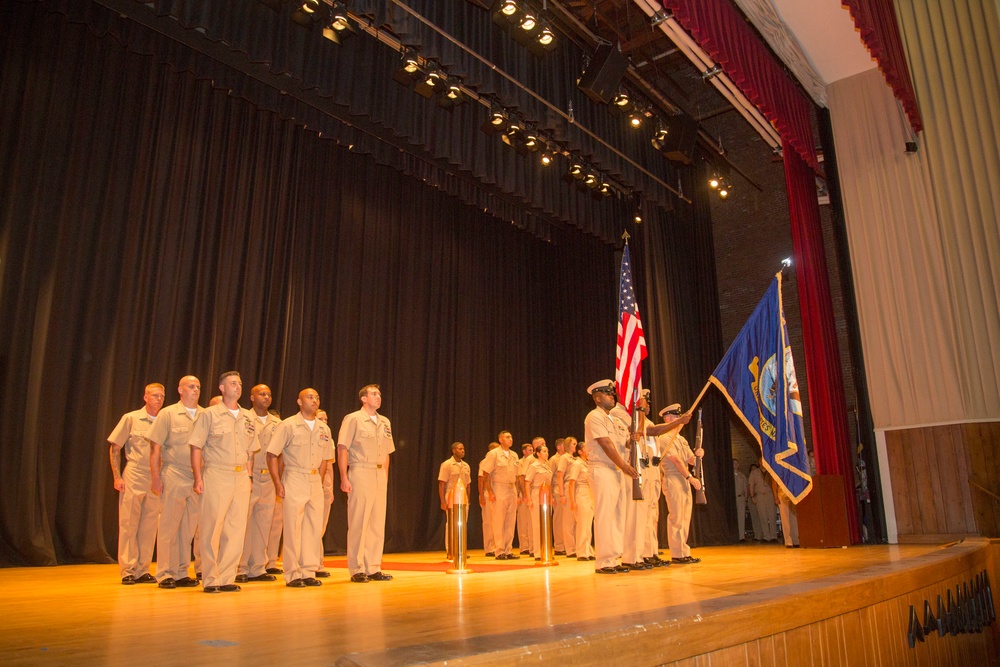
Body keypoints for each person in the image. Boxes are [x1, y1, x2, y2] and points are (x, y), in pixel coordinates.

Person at [189, 371, 258, 593]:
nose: (237, 387)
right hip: (217, 472)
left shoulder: (248, 416)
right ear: (221, 388)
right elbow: (196, 447)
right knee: (212, 526)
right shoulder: (209, 414)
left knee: (236, 528)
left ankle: (227, 577)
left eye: (239, 383)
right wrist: (198, 477)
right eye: (232, 383)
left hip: (240, 476)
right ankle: (210, 578)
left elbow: (250, 451)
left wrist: (249, 476)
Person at [268, 388, 334, 587]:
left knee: (313, 527)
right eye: (310, 397)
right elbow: (272, 454)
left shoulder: (324, 429)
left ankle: (308, 570)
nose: (314, 400)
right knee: (293, 527)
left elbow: (325, 459)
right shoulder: (288, 425)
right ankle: (293, 572)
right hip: (295, 475)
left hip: (314, 479)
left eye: (317, 397)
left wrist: (320, 482)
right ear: (299, 401)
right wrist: (278, 483)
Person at [146, 376, 203, 589]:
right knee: (169, 526)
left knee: (187, 529)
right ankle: (164, 572)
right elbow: (155, 448)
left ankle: (181, 571)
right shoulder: (168, 413)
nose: (195, 390)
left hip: (197, 477)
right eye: (191, 386)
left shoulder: (205, 414)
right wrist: (155, 477)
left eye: (198, 387)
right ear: (180, 390)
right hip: (174, 474)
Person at [107, 382, 165, 585]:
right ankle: (128, 570)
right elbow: (115, 447)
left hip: (156, 476)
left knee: (149, 525)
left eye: (162, 396)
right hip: (135, 473)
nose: (159, 399)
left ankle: (143, 569)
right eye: (155, 395)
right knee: (129, 523)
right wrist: (117, 476)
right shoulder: (131, 418)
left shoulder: (165, 420)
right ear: (145, 397)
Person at [338, 384, 395, 583]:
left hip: (379, 473)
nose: (378, 397)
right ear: (363, 398)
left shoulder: (385, 422)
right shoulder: (353, 418)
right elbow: (343, 448)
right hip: (360, 470)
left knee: (377, 523)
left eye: (379, 394)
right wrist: (344, 477)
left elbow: (388, 452)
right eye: (373, 394)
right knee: (359, 522)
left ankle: (373, 566)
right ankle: (357, 568)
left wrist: (385, 477)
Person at [584, 379, 636, 574]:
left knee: (617, 515)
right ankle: (604, 561)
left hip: (615, 470)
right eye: (607, 393)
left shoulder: (613, 420)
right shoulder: (593, 417)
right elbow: (605, 444)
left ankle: (614, 557)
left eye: (612, 393)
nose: (612, 396)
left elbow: (622, 445)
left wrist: (632, 440)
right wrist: (624, 466)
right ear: (597, 398)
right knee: (606, 515)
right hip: (602, 469)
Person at [237, 384, 281, 584]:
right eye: (262, 394)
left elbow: (281, 454)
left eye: (269, 394)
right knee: (243, 524)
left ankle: (258, 567)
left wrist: (278, 479)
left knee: (264, 524)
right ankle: (240, 566)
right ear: (252, 397)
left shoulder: (277, 423)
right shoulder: (244, 417)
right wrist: (247, 476)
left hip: (269, 478)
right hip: (249, 475)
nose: (266, 397)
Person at [657, 404, 703, 564]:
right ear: (668, 419)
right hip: (673, 478)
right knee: (676, 516)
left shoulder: (681, 439)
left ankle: (684, 551)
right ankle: (677, 554)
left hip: (684, 478)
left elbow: (690, 459)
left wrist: (698, 455)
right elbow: (675, 460)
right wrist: (690, 477)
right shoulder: (664, 439)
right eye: (677, 418)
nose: (681, 421)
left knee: (685, 516)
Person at [480, 431, 520, 560]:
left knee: (510, 520)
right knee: (498, 520)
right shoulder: (494, 454)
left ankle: (508, 550)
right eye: (507, 437)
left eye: (511, 437)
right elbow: (485, 474)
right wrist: (490, 492)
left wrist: (518, 493)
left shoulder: (514, 455)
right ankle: (499, 550)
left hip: (511, 488)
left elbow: (518, 476)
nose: (510, 439)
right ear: (500, 439)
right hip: (499, 487)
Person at [438, 442, 472, 556]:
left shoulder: (466, 466)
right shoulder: (447, 464)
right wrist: (443, 501)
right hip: (451, 495)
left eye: (463, 449)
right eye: (460, 449)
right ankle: (451, 550)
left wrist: (468, 500)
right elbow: (442, 483)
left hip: (463, 498)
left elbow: (468, 485)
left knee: (463, 524)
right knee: (452, 524)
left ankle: (461, 550)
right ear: (453, 451)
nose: (463, 450)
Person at [523, 443, 553, 560]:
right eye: (544, 451)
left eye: (547, 451)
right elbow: (527, 482)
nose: (546, 453)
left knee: (546, 525)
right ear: (538, 453)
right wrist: (529, 499)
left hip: (547, 496)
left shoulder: (547, 465)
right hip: (536, 495)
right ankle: (537, 553)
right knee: (537, 525)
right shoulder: (534, 466)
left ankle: (546, 550)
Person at [566, 445, 594, 561]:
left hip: (589, 494)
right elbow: (571, 483)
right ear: (580, 451)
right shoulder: (577, 464)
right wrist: (572, 501)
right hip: (580, 494)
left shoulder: (587, 463)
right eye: (586, 448)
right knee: (582, 524)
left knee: (588, 524)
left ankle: (588, 550)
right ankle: (582, 552)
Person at [315, 409, 333, 577]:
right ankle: (310, 564)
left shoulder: (327, 437)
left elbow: (330, 465)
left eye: (326, 418)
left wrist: (331, 488)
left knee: (320, 526)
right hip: (312, 481)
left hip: (325, 484)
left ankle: (318, 562)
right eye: (321, 418)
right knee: (310, 526)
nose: (324, 421)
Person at [555, 437, 578, 557]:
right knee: (568, 520)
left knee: (576, 519)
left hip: (577, 487)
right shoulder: (564, 457)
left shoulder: (576, 459)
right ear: (568, 445)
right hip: (568, 485)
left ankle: (577, 547)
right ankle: (570, 549)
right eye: (574, 444)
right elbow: (560, 475)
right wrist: (562, 494)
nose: (576, 446)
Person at [478, 441, 499, 556]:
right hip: (487, 493)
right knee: (488, 521)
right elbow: (481, 479)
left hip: (498, 492)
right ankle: (489, 548)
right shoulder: (485, 462)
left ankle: (497, 546)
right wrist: (481, 496)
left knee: (497, 521)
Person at [748, 460, 776, 542]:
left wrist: (776, 496)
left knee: (772, 516)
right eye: (761, 461)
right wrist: (752, 496)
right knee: (762, 516)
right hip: (760, 495)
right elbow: (751, 485)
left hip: (770, 494)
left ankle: (774, 536)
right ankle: (766, 536)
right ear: (759, 462)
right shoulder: (754, 472)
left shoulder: (771, 471)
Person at [515, 442, 535, 556]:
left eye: (532, 449)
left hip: (530, 492)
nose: (532, 451)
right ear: (524, 451)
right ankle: (524, 546)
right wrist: (519, 494)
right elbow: (518, 479)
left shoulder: (534, 461)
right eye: (529, 450)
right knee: (523, 521)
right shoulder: (520, 462)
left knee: (530, 521)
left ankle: (531, 545)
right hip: (522, 493)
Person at [547, 438, 566, 555]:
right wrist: (551, 495)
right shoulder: (554, 459)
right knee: (559, 519)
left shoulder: (569, 458)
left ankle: (567, 544)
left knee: (567, 520)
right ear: (558, 447)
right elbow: (550, 477)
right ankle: (559, 546)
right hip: (557, 491)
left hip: (566, 491)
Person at [773, 476, 800, 548]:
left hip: (792, 494)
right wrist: (775, 497)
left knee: (794, 517)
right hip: (782, 494)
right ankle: (788, 541)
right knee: (785, 518)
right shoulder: (777, 467)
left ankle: (796, 540)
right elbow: (774, 483)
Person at [747, 463, 764, 540]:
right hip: (752, 498)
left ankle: (764, 534)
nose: (753, 470)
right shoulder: (749, 478)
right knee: (754, 518)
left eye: (755, 468)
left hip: (760, 497)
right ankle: (757, 535)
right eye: (752, 469)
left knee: (762, 517)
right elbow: (748, 489)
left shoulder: (761, 476)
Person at [734, 458, 748, 542]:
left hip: (741, 498)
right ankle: (735, 536)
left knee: (741, 517)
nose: (735, 465)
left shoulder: (742, 475)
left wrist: (746, 498)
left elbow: (745, 488)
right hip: (734, 498)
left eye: (736, 463)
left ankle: (741, 536)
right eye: (733, 463)